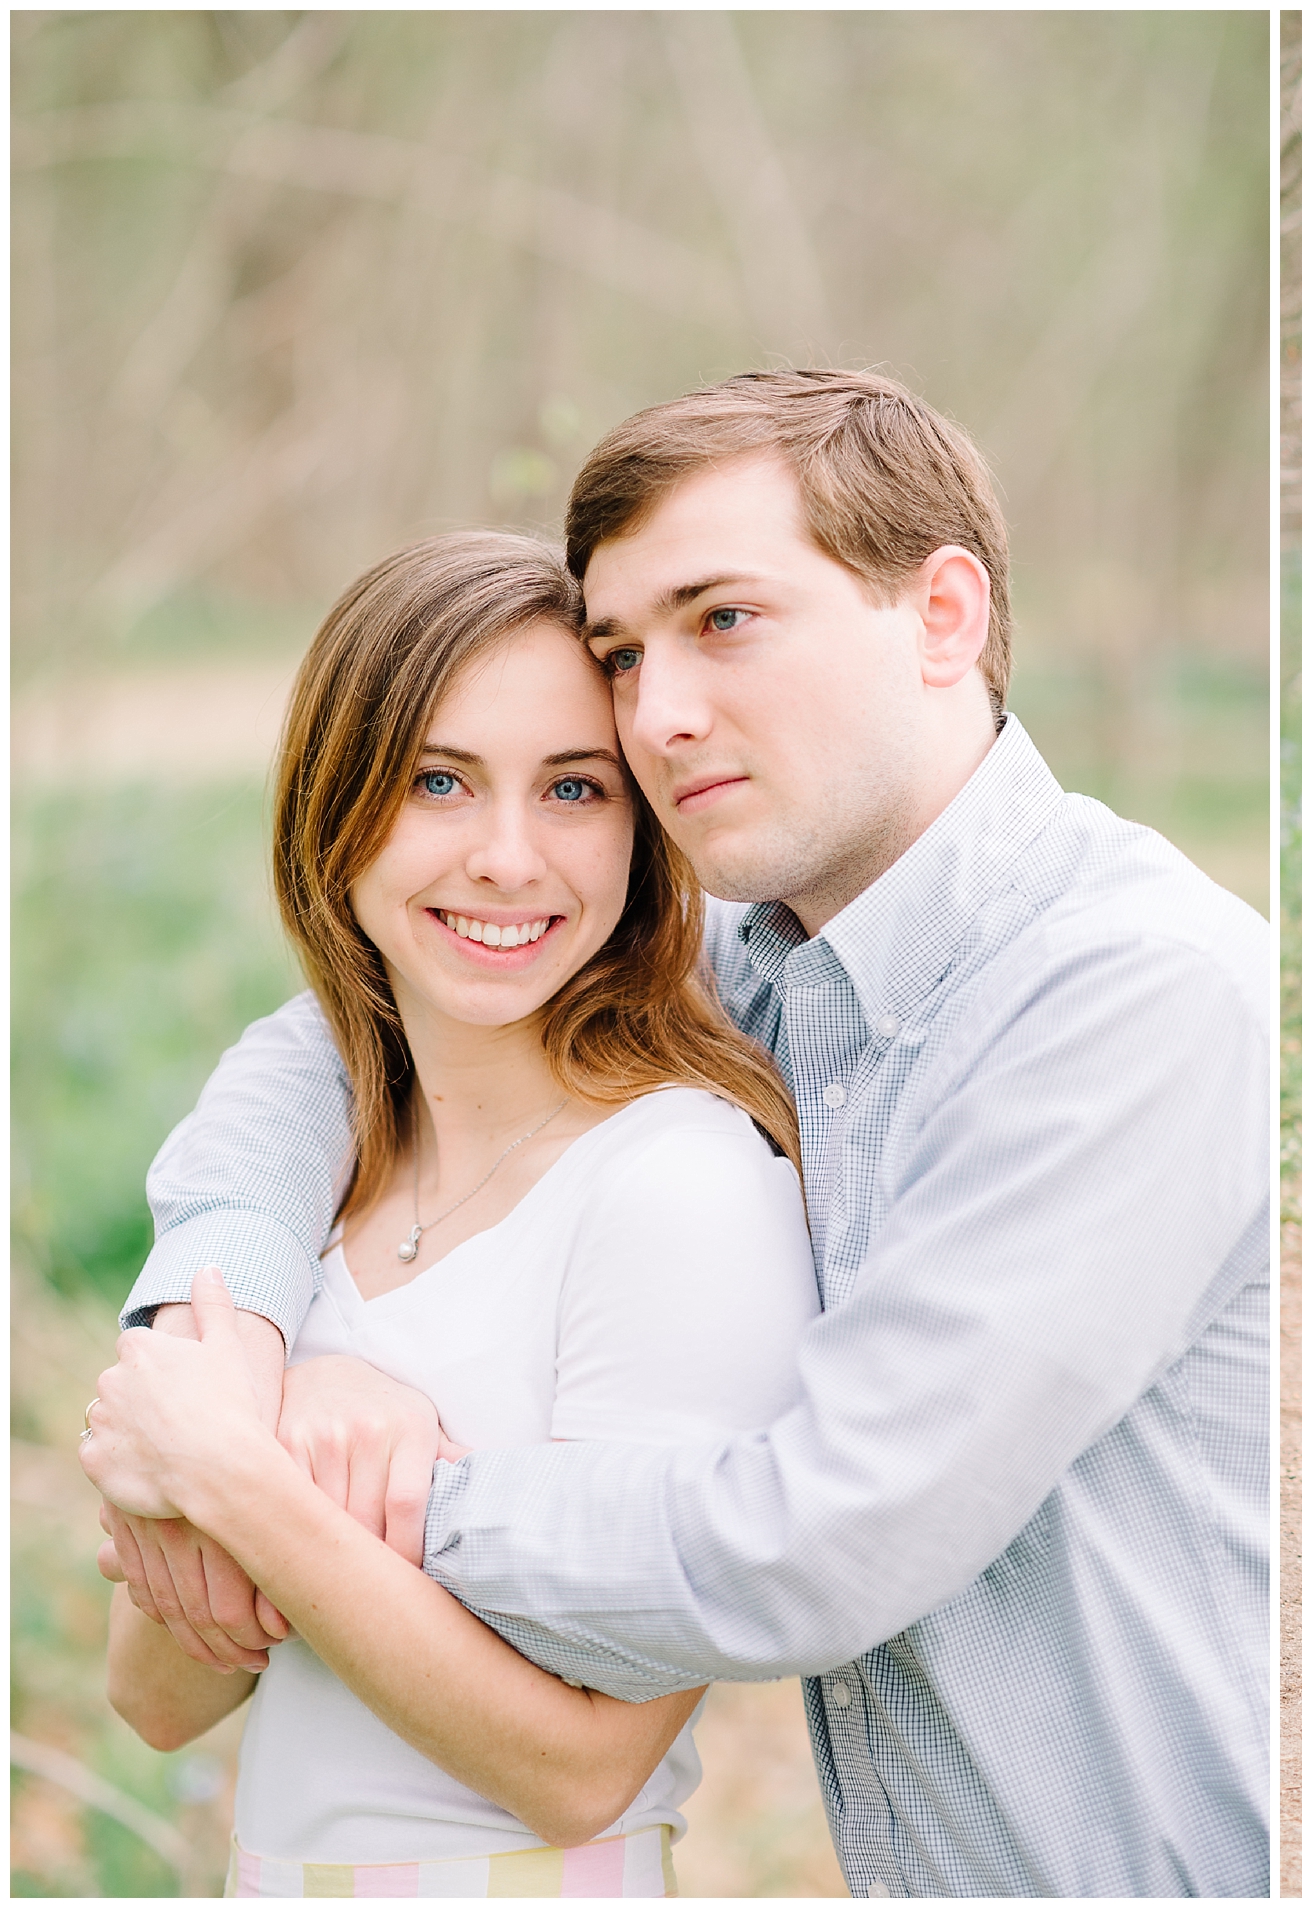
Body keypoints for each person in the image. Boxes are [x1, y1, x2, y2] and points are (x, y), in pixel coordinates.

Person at [87, 370, 1272, 1897]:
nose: (662, 713)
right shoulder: (766, 952)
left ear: (942, 616)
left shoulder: (1128, 998)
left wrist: (296, 1483)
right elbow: (345, 1030)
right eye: (624, 652)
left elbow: (815, 1542)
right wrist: (242, 1336)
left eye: (723, 621)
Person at [88, 529, 817, 1894]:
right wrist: (296, 1400)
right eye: (438, 780)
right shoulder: (320, 1172)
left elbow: (586, 1768)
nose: (504, 856)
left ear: (643, 830)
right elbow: (160, 1700)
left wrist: (243, 1473)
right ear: (335, 805)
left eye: (573, 790)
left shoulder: (681, 1189)